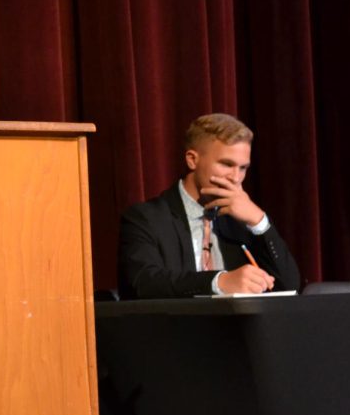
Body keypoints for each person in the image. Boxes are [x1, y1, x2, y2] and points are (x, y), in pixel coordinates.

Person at [117, 113, 301, 300]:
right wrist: (218, 282)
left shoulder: (241, 222)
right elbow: (142, 282)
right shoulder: (146, 218)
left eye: (243, 168)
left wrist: (260, 223)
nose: (235, 178)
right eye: (226, 164)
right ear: (192, 159)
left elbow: (289, 286)